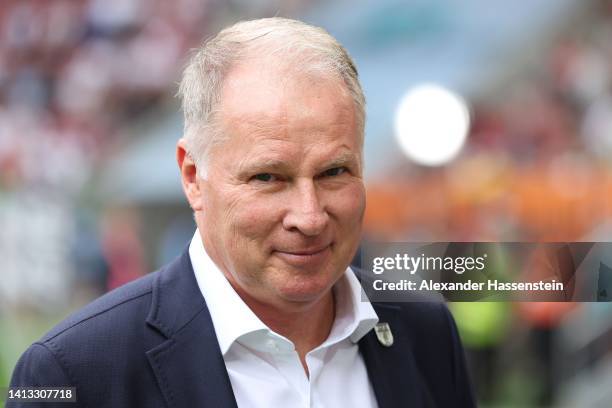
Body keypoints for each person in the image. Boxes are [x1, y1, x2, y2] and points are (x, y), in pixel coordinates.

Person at [8, 18, 475, 407]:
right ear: (193, 177)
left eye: (334, 172)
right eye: (268, 178)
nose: (309, 217)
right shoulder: (74, 372)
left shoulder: (425, 331)